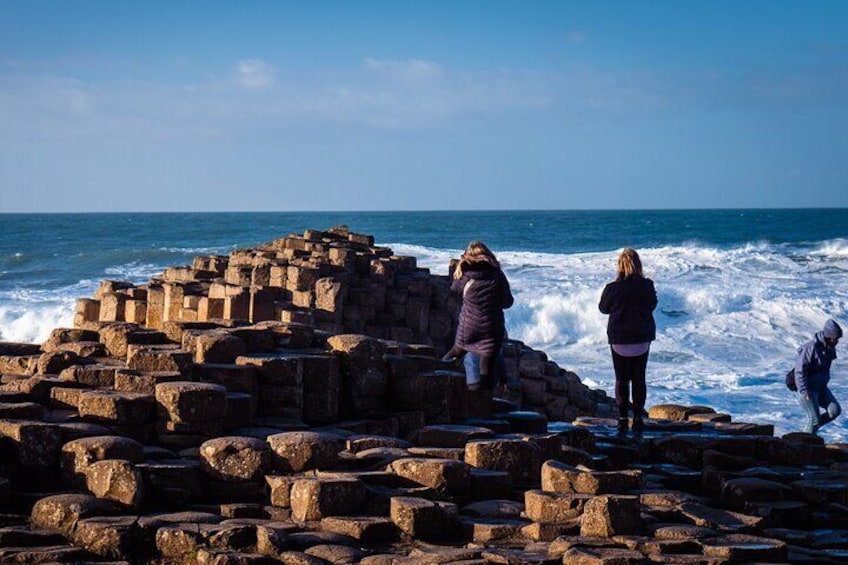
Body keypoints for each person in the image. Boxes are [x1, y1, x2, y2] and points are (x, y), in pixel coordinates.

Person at [599, 248, 657, 435]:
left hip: (619, 340)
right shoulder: (647, 285)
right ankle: (638, 418)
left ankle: (623, 419)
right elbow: (652, 304)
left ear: (619, 266)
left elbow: (603, 308)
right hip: (641, 338)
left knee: (621, 380)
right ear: (638, 265)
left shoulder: (612, 288)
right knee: (639, 379)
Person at [443, 241, 514, 391]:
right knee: (486, 366)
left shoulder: (466, 275)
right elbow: (508, 302)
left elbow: (454, 290)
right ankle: (483, 402)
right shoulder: (497, 275)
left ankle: (438, 375)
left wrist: (459, 268)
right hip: (492, 328)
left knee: (455, 352)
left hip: (469, 326)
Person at [795, 319, 842, 435]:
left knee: (834, 411)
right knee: (814, 420)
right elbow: (799, 371)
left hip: (821, 388)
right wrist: (804, 391)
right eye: (835, 338)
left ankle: (808, 431)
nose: (837, 341)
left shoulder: (829, 348)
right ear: (829, 336)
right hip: (808, 390)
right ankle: (804, 445)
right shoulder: (810, 348)